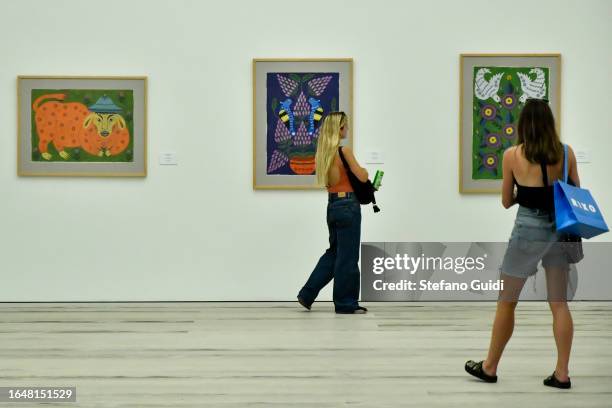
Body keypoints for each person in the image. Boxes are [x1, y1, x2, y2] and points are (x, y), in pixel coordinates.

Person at [465, 98, 579, 389]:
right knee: (559, 304)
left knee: (507, 302)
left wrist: (524, 196)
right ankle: (562, 374)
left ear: (523, 124)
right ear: (549, 122)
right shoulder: (566, 154)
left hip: (527, 231)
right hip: (560, 233)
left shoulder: (512, 155)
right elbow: (577, 193)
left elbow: (506, 201)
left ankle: (489, 367)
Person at [297, 111, 369, 314]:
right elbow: (362, 177)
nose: (347, 129)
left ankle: (307, 294)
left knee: (335, 253)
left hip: (333, 206)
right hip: (348, 205)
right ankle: (345, 303)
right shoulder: (344, 151)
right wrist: (366, 171)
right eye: (345, 126)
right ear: (339, 128)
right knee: (348, 257)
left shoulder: (323, 155)